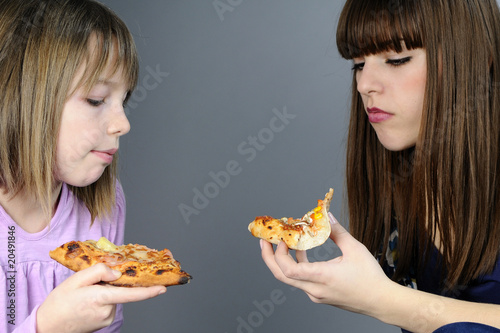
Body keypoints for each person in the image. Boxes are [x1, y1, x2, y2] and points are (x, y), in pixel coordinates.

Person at [260, 0, 500, 332]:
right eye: (358, 64)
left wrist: (384, 300)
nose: (364, 84)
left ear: (477, 60)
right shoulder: (401, 185)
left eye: (396, 59)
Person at [0, 0, 166, 332]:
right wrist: (47, 326)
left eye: (124, 100)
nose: (123, 124)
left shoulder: (104, 205)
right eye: (96, 99)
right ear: (23, 96)